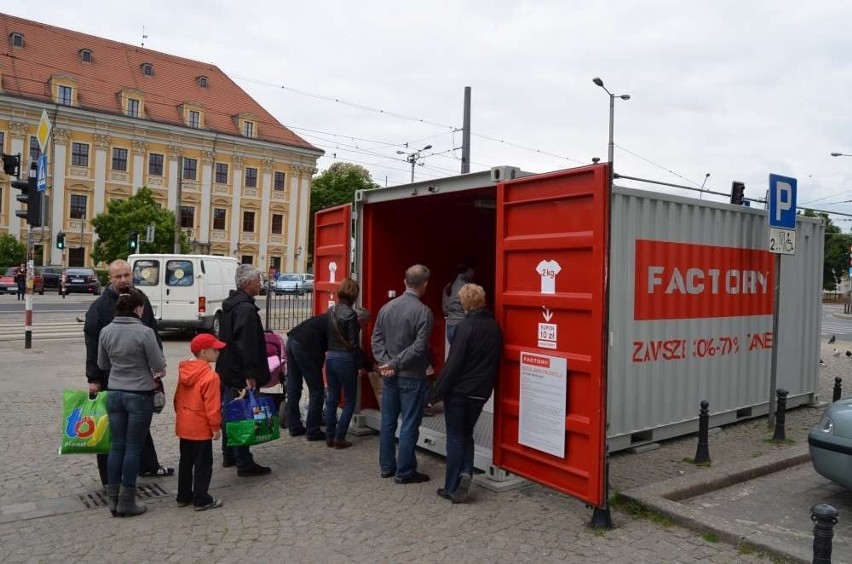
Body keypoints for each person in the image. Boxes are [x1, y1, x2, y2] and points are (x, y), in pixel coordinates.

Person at [84, 259, 172, 488]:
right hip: (110, 380)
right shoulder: (100, 306)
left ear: (132, 275)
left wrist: (156, 369)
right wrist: (93, 378)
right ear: (110, 279)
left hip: (142, 378)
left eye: (126, 275)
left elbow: (152, 331)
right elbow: (92, 345)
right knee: (111, 434)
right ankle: (110, 481)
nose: (123, 280)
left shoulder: (140, 299)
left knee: (138, 427)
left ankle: (148, 465)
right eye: (118, 276)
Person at [429, 284, 502, 503]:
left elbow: (454, 364)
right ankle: (466, 472)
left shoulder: (465, 327)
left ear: (464, 303)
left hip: (459, 392)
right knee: (467, 433)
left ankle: (451, 487)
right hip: (480, 392)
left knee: (455, 435)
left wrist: (434, 395)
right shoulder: (495, 328)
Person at [98, 288, 168, 517]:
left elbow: (103, 364)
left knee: (116, 446)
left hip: (115, 392)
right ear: (138, 309)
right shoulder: (145, 332)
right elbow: (159, 366)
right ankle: (128, 501)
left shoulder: (106, 331)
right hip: (139, 393)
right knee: (133, 448)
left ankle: (112, 499)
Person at [371, 264, 434, 484]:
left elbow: (375, 338)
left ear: (404, 281)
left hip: (390, 374)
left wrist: (385, 362)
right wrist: (395, 363)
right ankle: (405, 471)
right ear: (424, 284)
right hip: (411, 375)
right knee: (409, 423)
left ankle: (387, 466)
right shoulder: (423, 312)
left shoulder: (387, 308)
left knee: (388, 421)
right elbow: (419, 348)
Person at [216, 264, 272, 477]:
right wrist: (250, 373)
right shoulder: (246, 310)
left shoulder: (231, 305)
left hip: (227, 367)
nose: (261, 284)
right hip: (240, 371)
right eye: (258, 280)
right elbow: (247, 344)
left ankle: (229, 454)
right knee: (241, 414)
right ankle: (243, 461)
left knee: (230, 412)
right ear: (248, 283)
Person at [174, 333, 225, 511]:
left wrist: (181, 416)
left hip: (185, 423)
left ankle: (183, 495)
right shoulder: (211, 377)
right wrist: (216, 427)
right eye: (214, 349)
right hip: (200, 426)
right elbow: (212, 406)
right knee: (203, 464)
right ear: (203, 352)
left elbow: (177, 398)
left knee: (186, 461)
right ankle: (201, 498)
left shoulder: (184, 370)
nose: (218, 352)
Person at [325, 279, 369, 449]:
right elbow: (353, 344)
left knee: (332, 398)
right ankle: (340, 437)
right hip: (345, 359)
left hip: (330, 358)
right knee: (350, 399)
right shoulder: (350, 315)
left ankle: (329, 436)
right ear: (354, 294)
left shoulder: (330, 311)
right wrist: (360, 365)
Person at [285, 314, 329, 441]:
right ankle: (313, 430)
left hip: (292, 340)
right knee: (317, 390)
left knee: (294, 387)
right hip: (304, 348)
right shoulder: (338, 322)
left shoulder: (326, 317)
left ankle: (293, 426)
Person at [442, 257, 475, 345]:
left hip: (450, 326)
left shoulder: (449, 285)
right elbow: (473, 311)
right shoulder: (469, 287)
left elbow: (445, 310)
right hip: (463, 326)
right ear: (469, 270)